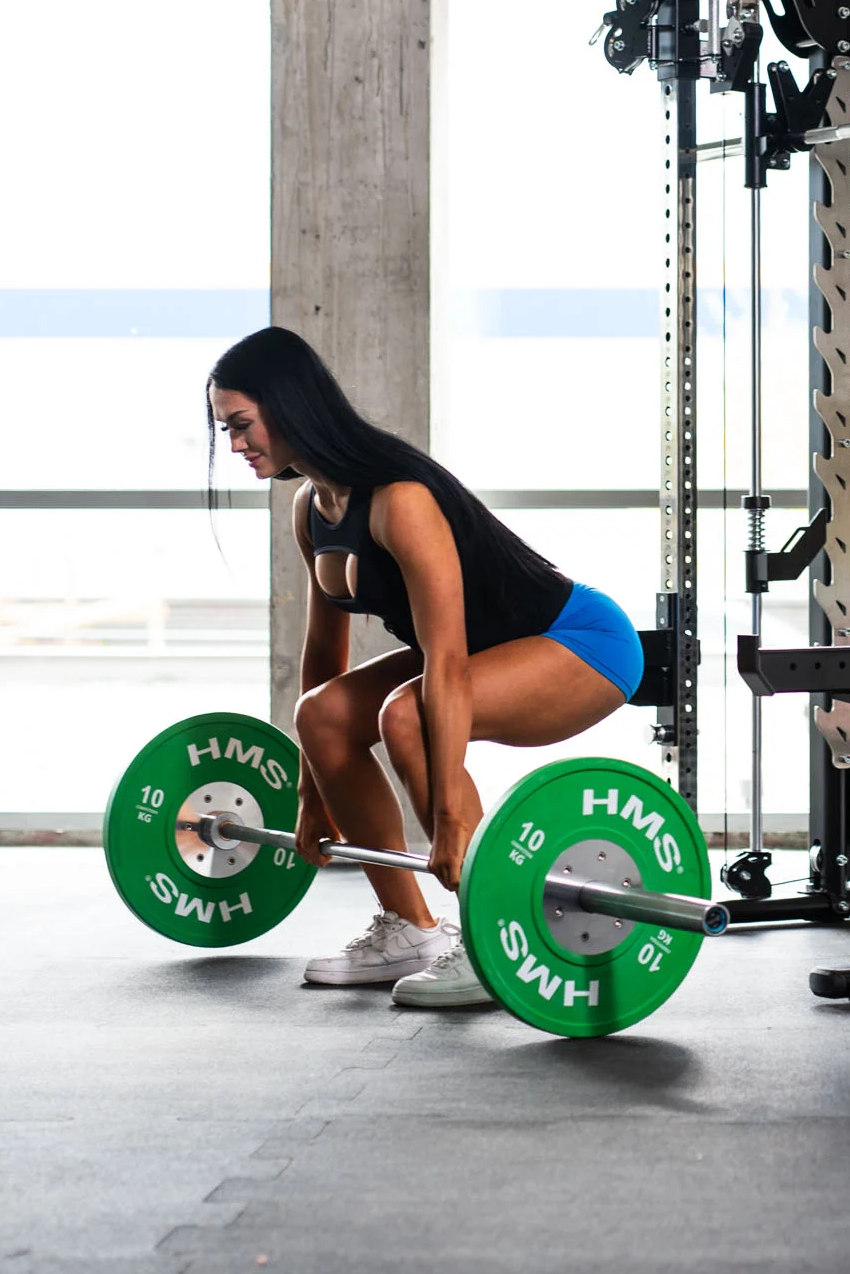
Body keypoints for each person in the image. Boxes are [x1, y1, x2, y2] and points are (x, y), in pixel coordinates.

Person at [205, 327, 642, 1009]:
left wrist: (448, 823)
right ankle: (411, 930)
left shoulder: (401, 499)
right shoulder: (311, 511)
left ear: (287, 406)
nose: (235, 446)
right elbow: (324, 663)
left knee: (405, 715)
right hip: (482, 650)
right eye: (226, 431)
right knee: (319, 714)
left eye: (241, 425)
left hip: (582, 642)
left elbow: (445, 663)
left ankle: (496, 934)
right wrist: (309, 793)